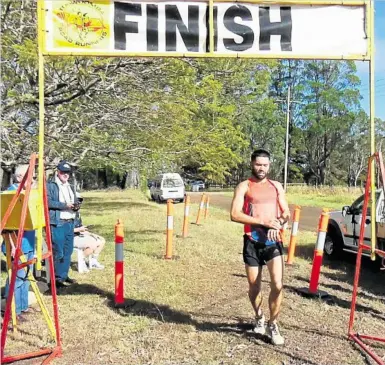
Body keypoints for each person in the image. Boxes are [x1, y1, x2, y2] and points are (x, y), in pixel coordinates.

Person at [230, 149, 290, 345]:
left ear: (269, 166)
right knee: (254, 286)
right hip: (252, 241)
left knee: (278, 285)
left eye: (265, 165)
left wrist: (280, 223)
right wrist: (264, 222)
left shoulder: (276, 186)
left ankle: (273, 324)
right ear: (252, 164)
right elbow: (235, 214)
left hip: (273, 243)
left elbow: (286, 212)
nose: (262, 168)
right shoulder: (244, 186)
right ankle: (259, 316)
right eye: (258, 164)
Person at [2, 165, 36, 320]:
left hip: (28, 241)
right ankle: (11, 310)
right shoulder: (10, 194)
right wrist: (14, 245)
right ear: (19, 177)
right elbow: (6, 223)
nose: (33, 180)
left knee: (25, 276)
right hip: (15, 242)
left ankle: (22, 307)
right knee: (16, 277)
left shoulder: (28, 193)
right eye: (31, 177)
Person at [47, 160, 79, 288]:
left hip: (70, 221)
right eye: (63, 172)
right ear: (58, 172)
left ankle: (63, 275)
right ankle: (54, 279)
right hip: (58, 222)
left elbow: (74, 200)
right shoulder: (51, 185)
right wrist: (65, 206)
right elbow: (48, 202)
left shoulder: (70, 186)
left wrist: (76, 205)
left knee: (68, 251)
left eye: (68, 173)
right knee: (58, 251)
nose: (66, 175)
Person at [73, 200, 105, 273]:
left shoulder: (77, 214)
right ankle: (81, 261)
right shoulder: (66, 215)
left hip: (80, 234)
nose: (79, 204)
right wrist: (79, 229)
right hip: (72, 237)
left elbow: (80, 227)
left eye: (80, 202)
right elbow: (66, 230)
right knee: (92, 245)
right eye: (77, 201)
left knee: (101, 240)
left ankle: (93, 261)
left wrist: (90, 233)